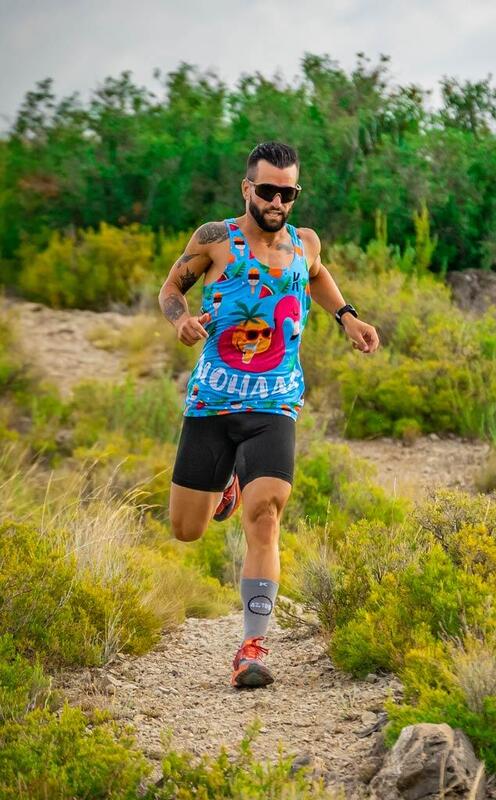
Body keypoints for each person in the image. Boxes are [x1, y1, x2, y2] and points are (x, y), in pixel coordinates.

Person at [158, 141, 380, 688]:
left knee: (267, 516)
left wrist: (347, 317)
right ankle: (226, 485)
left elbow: (320, 274)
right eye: (268, 191)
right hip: (212, 401)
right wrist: (180, 321)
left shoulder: (304, 243)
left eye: (289, 192)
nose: (278, 201)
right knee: (186, 530)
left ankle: (253, 648)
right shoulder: (214, 240)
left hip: (275, 402)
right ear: (247, 189)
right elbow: (171, 287)